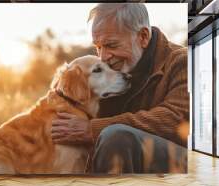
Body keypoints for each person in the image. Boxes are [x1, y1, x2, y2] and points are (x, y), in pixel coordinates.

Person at [51, 3, 189, 173]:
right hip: (119, 163)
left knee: (116, 138)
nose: (103, 57)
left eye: (111, 45)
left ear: (143, 37)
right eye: (98, 47)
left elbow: (175, 119)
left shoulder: (181, 61)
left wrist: (93, 129)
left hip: (178, 163)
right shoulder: (111, 72)